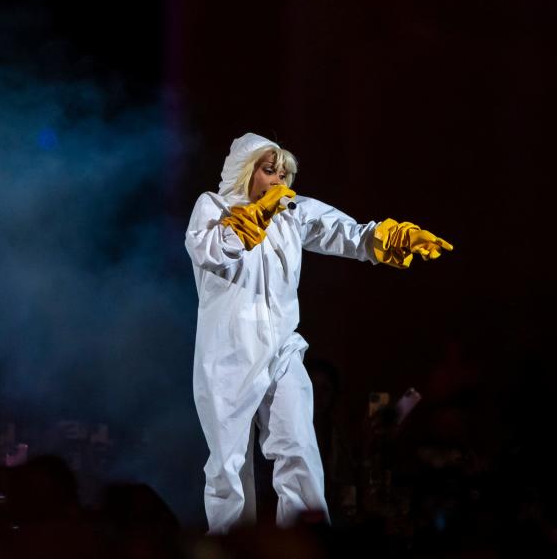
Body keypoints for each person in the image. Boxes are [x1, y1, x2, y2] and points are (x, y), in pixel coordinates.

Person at [185, 133, 452, 533]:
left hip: (282, 347)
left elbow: (347, 233)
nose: (278, 179)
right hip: (229, 353)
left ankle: (308, 542)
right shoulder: (215, 206)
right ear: (245, 170)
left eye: (282, 172)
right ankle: (230, 544)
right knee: (227, 464)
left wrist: (389, 240)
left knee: (298, 446)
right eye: (267, 169)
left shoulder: (292, 212)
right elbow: (208, 251)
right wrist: (252, 218)